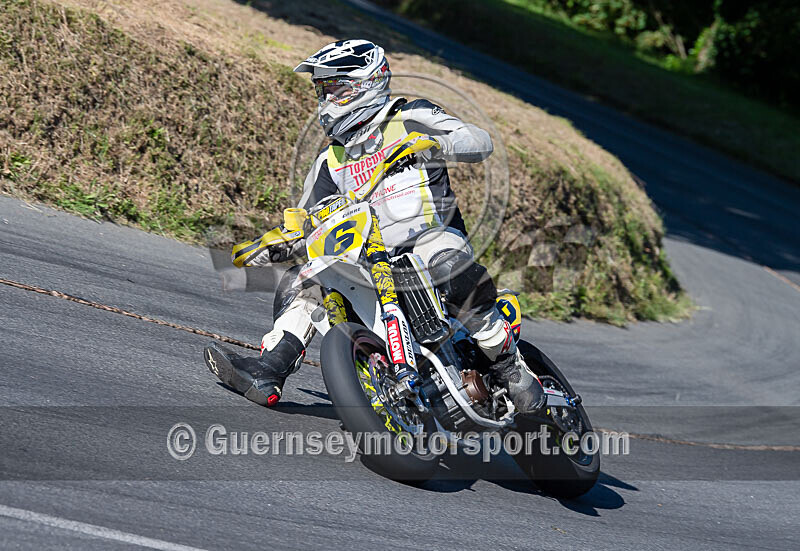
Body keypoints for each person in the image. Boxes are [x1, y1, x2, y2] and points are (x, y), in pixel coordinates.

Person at [204, 40, 544, 414]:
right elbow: (305, 217)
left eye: (336, 87)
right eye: (323, 90)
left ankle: (508, 365)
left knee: (446, 264)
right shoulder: (330, 158)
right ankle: (269, 368)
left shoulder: (408, 115)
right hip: (367, 257)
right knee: (305, 277)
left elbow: (478, 141)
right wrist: (277, 242)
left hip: (430, 239)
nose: (327, 98)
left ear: (368, 82)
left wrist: (435, 144)